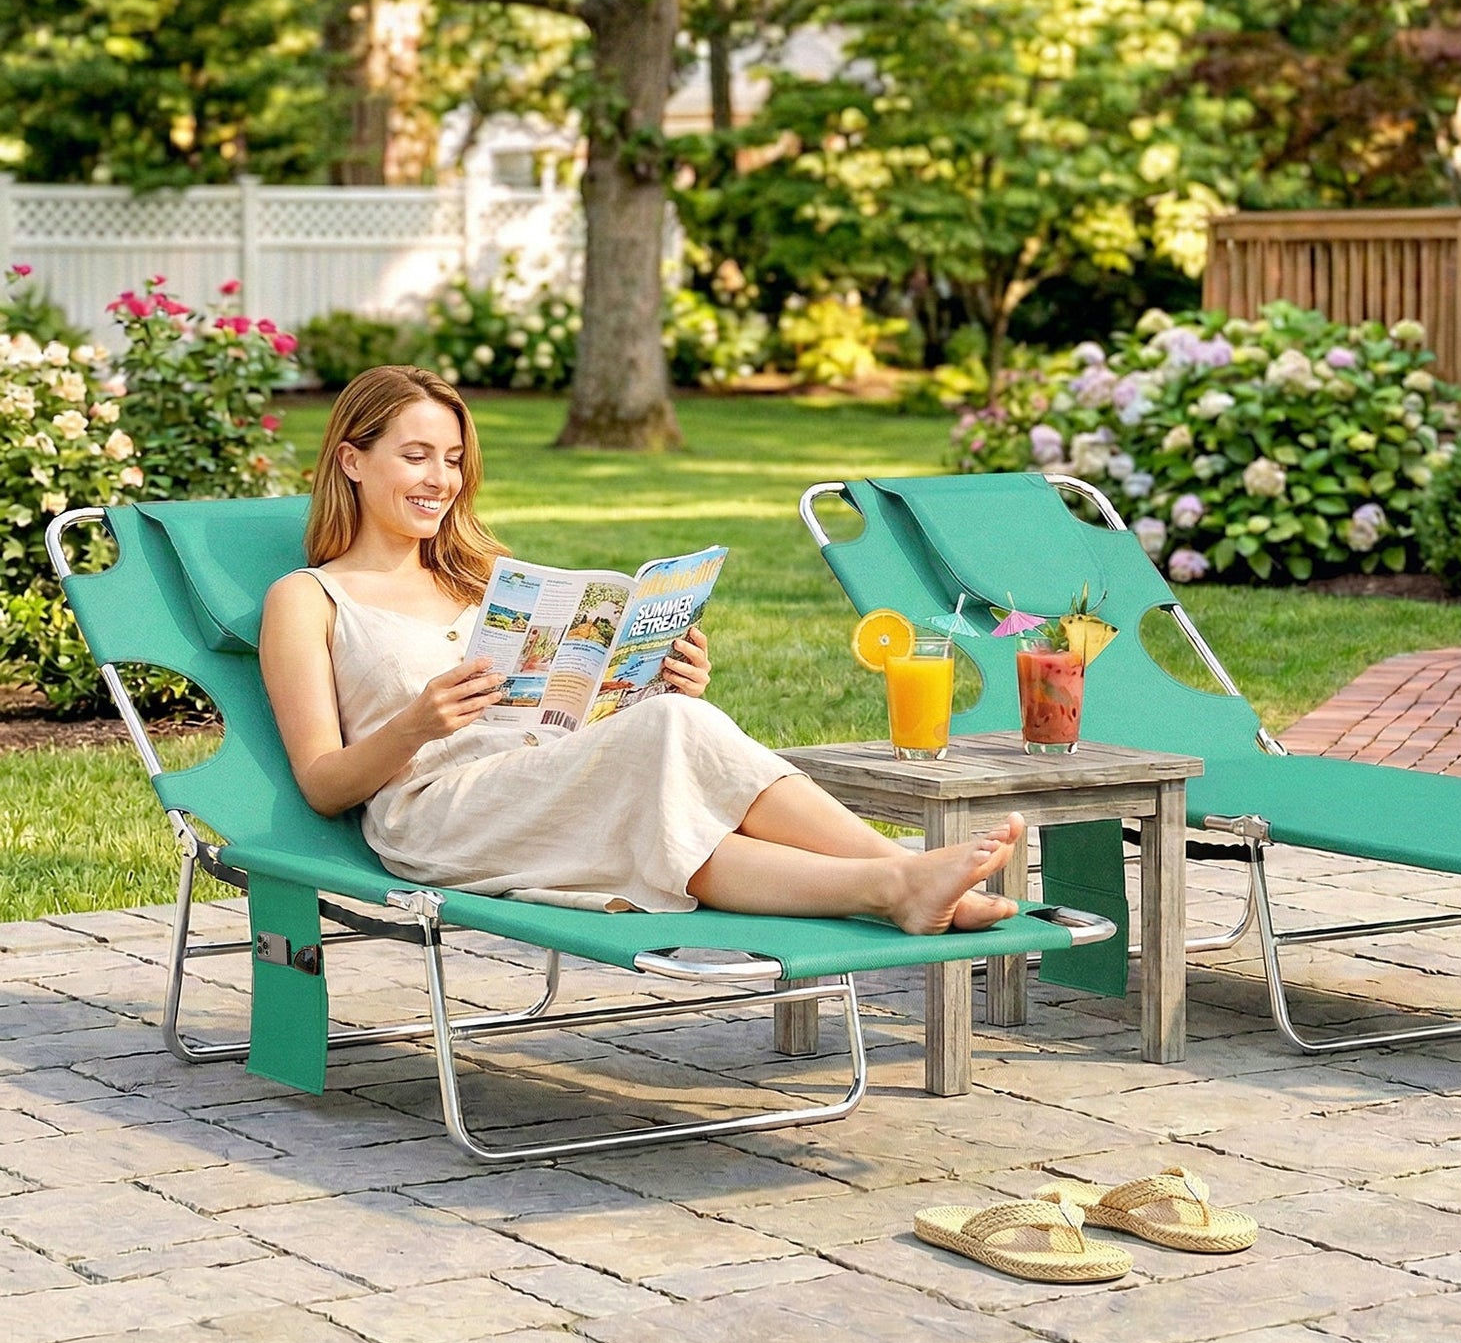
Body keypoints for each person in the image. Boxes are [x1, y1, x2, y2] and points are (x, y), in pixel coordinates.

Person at [259, 365, 1020, 933]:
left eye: (454, 459)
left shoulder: (487, 578)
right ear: (352, 460)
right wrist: (416, 725)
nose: (441, 479)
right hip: (437, 814)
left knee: (670, 758)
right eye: (416, 456)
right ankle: (901, 868)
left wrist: (656, 678)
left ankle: (898, 887)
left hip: (544, 773)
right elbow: (323, 784)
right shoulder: (310, 599)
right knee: (670, 739)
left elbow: (567, 709)